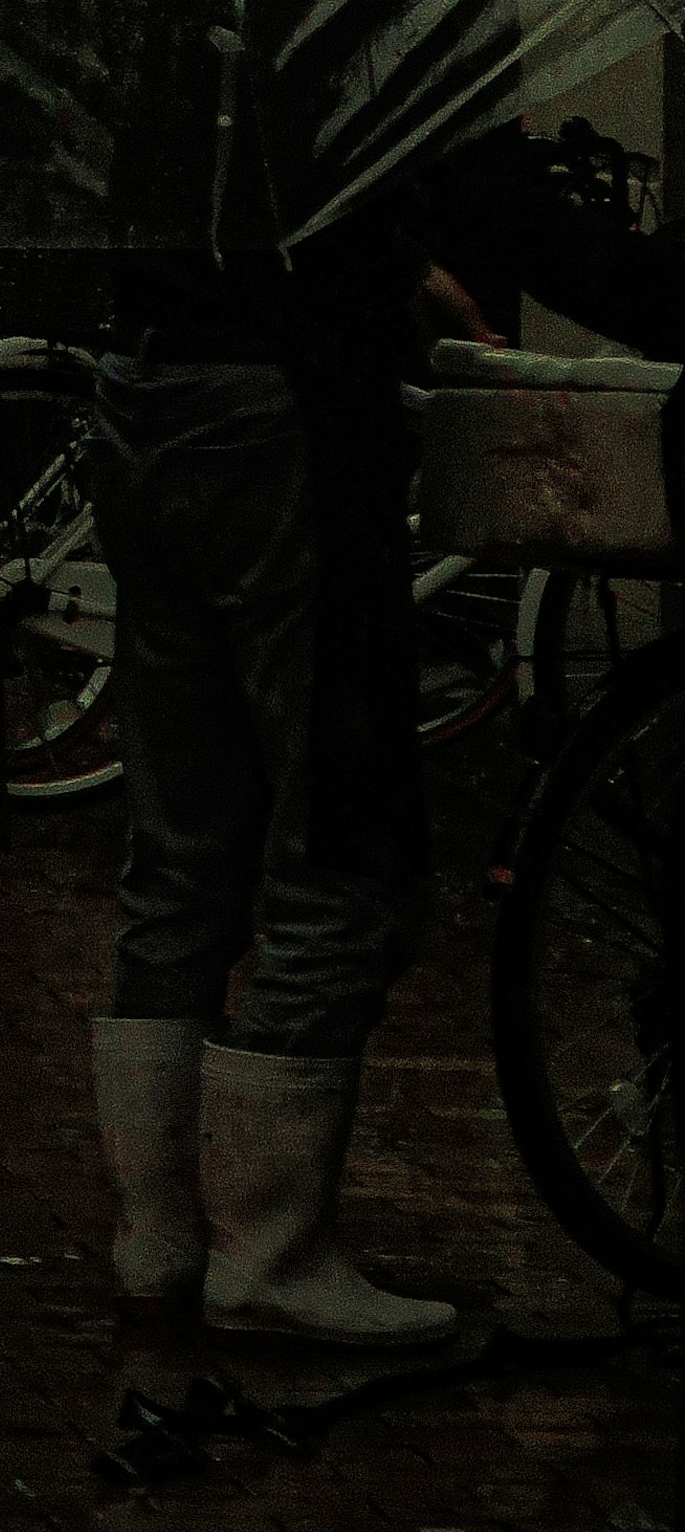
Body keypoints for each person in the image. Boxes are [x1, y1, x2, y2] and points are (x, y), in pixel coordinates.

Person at [87, 121, 685, 1349]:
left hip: (150, 388)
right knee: (342, 841)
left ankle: (156, 1239)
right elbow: (483, 196)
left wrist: (401, 261)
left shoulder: (188, 5)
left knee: (185, 842)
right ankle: (270, 1250)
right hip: (285, 410)